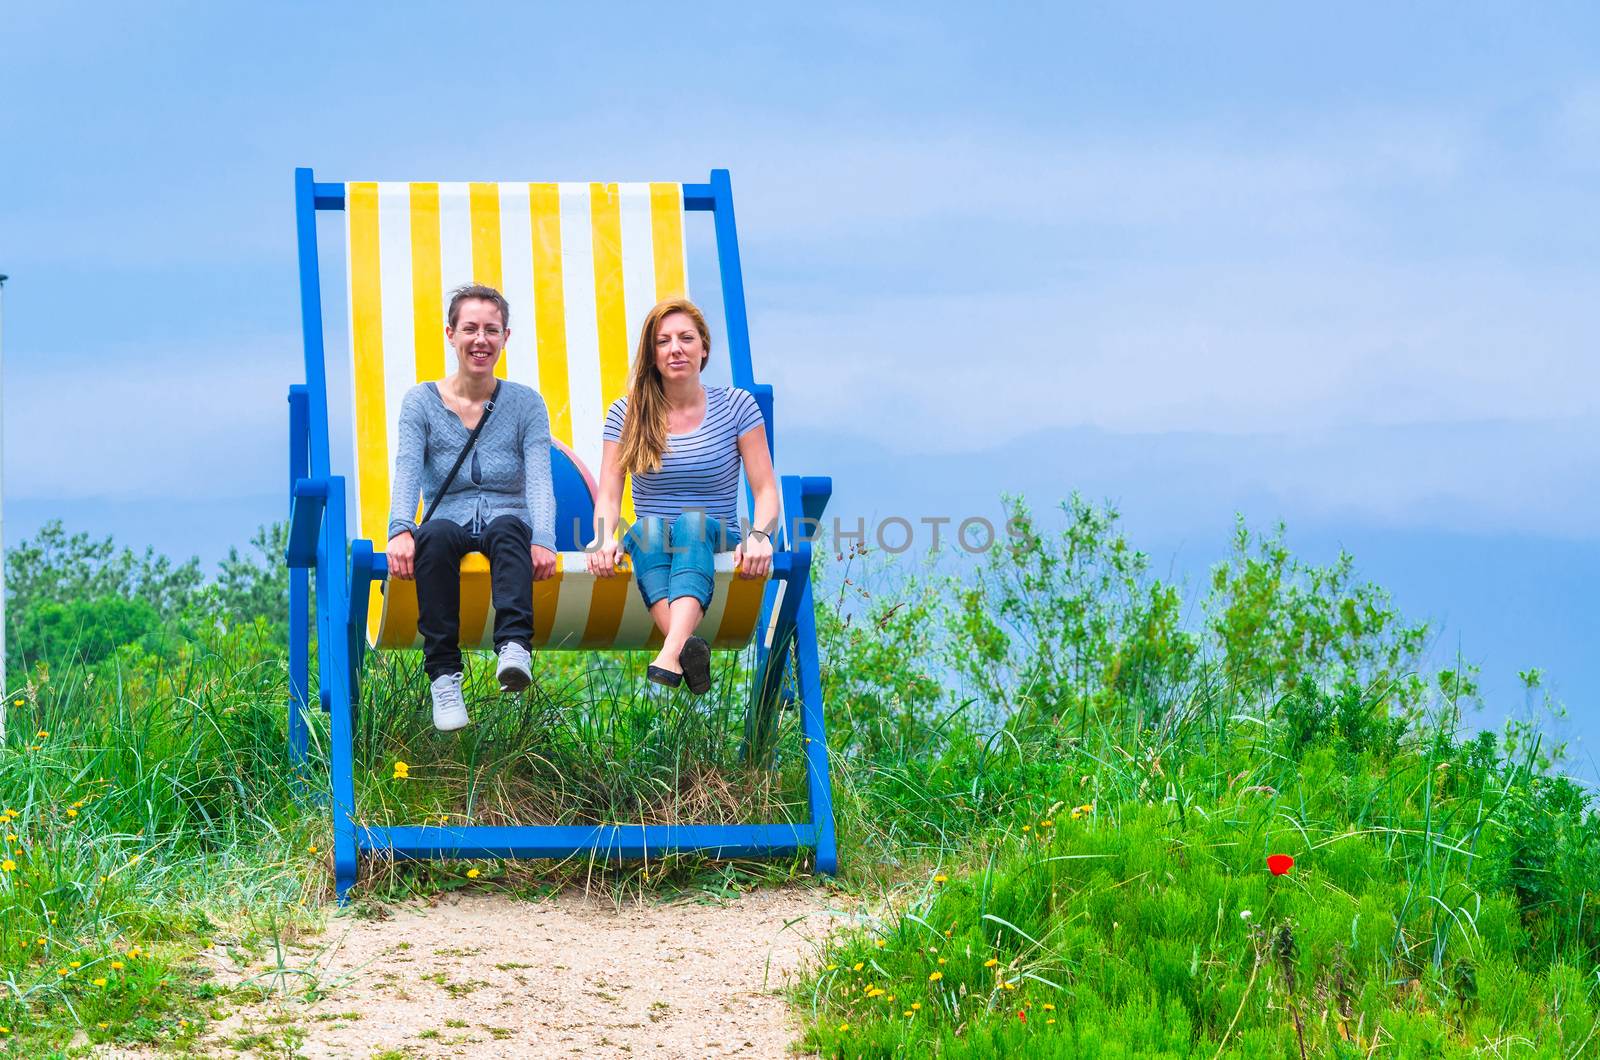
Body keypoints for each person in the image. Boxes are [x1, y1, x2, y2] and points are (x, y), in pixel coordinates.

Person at [385, 283, 558, 731]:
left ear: (505, 337)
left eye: (491, 330)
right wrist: (400, 528)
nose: (481, 340)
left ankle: (514, 649)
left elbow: (540, 477)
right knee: (435, 537)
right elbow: (407, 468)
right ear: (450, 334)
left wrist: (544, 539)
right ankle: (444, 677)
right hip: (449, 516)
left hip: (508, 517)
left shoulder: (526, 403)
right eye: (470, 329)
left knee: (508, 529)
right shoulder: (420, 402)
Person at [587, 298, 778, 694]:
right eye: (664, 341)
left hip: (715, 538)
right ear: (652, 354)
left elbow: (765, 490)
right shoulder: (627, 413)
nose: (676, 348)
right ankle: (683, 650)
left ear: (703, 348)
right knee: (647, 529)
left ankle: (669, 650)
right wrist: (605, 537)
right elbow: (608, 494)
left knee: (691, 522)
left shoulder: (736, 406)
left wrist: (759, 536)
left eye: (686, 338)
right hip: (655, 544)